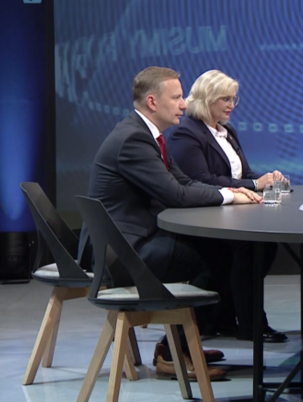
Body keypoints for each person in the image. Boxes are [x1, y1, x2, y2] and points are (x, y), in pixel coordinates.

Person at [77, 66, 262, 380]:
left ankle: (181, 345)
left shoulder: (148, 135)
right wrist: (231, 197)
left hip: (131, 240)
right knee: (216, 257)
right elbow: (175, 194)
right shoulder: (134, 139)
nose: (184, 104)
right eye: (176, 98)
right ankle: (173, 350)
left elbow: (185, 182)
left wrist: (232, 192)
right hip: (120, 253)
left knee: (216, 250)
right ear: (152, 102)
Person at [167, 69, 288, 343]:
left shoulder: (226, 131)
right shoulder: (186, 134)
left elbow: (241, 172)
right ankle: (251, 325)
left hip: (232, 214)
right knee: (251, 247)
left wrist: (267, 179)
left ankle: (227, 317)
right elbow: (202, 180)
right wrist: (254, 184)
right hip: (204, 219)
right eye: (225, 99)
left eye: (234, 98)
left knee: (265, 245)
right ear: (207, 99)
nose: (231, 104)